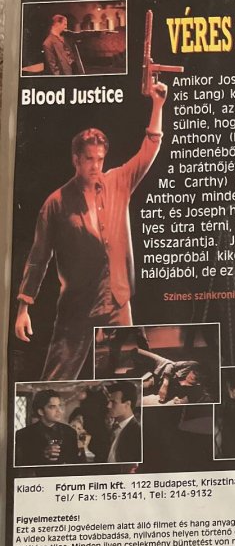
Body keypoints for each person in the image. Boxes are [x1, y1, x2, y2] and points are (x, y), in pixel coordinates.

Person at [15, 80, 168, 381]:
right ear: (76, 159)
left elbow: (150, 147)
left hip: (118, 301)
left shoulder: (118, 182)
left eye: (100, 159)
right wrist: (23, 308)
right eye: (89, 159)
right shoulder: (56, 203)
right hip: (77, 306)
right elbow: (38, 258)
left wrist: (158, 104)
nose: (95, 165)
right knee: (56, 380)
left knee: (125, 378)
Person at [15, 389, 81, 466]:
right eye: (52, 407)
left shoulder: (70, 432)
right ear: (41, 412)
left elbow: (74, 462)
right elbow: (21, 464)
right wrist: (42, 455)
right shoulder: (23, 434)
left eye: (59, 406)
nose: (59, 411)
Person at [106, 380, 142, 463]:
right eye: (109, 401)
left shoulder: (137, 432)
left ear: (127, 404)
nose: (108, 406)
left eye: (114, 402)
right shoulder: (113, 427)